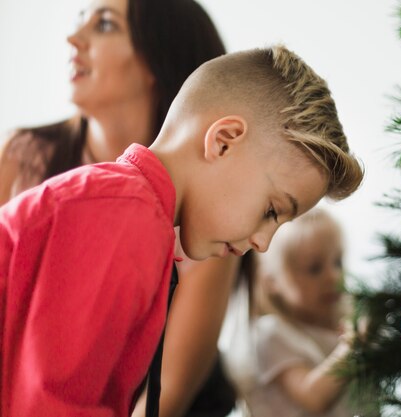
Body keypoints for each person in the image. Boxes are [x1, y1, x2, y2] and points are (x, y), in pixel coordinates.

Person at [0, 45, 364, 416]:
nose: (263, 243)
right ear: (223, 142)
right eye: (271, 211)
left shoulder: (132, 213)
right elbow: (51, 406)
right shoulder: (122, 216)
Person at [0, 1, 241, 415]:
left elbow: (167, 397)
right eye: (79, 22)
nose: (73, 39)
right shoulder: (22, 156)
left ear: (156, 59)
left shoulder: (209, 208)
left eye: (105, 25)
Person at [234, 208, 360, 417]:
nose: (333, 276)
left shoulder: (346, 319)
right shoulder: (272, 334)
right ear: (272, 281)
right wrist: (352, 347)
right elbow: (314, 399)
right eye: (314, 268)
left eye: (338, 262)